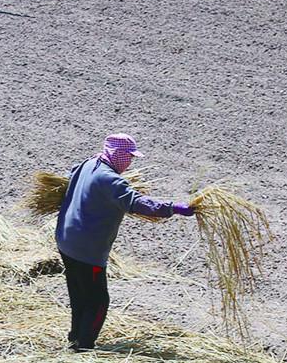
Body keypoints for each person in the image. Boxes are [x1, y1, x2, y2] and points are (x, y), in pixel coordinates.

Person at [54, 134, 193, 351]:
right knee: (98, 300)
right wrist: (172, 208)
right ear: (117, 154)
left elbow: (68, 176)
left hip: (66, 239)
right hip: (87, 249)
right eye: (128, 157)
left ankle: (75, 337)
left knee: (79, 292)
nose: (129, 162)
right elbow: (135, 203)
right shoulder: (110, 179)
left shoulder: (87, 164)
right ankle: (83, 346)